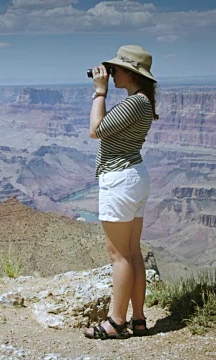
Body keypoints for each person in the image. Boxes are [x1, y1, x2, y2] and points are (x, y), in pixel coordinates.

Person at [83, 45, 159, 339]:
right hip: (134, 177)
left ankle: (116, 322)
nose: (111, 73)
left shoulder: (134, 103)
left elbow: (96, 129)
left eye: (115, 69)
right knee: (132, 251)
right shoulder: (141, 102)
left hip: (120, 180)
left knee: (119, 255)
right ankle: (138, 320)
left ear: (131, 73)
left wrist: (99, 92)